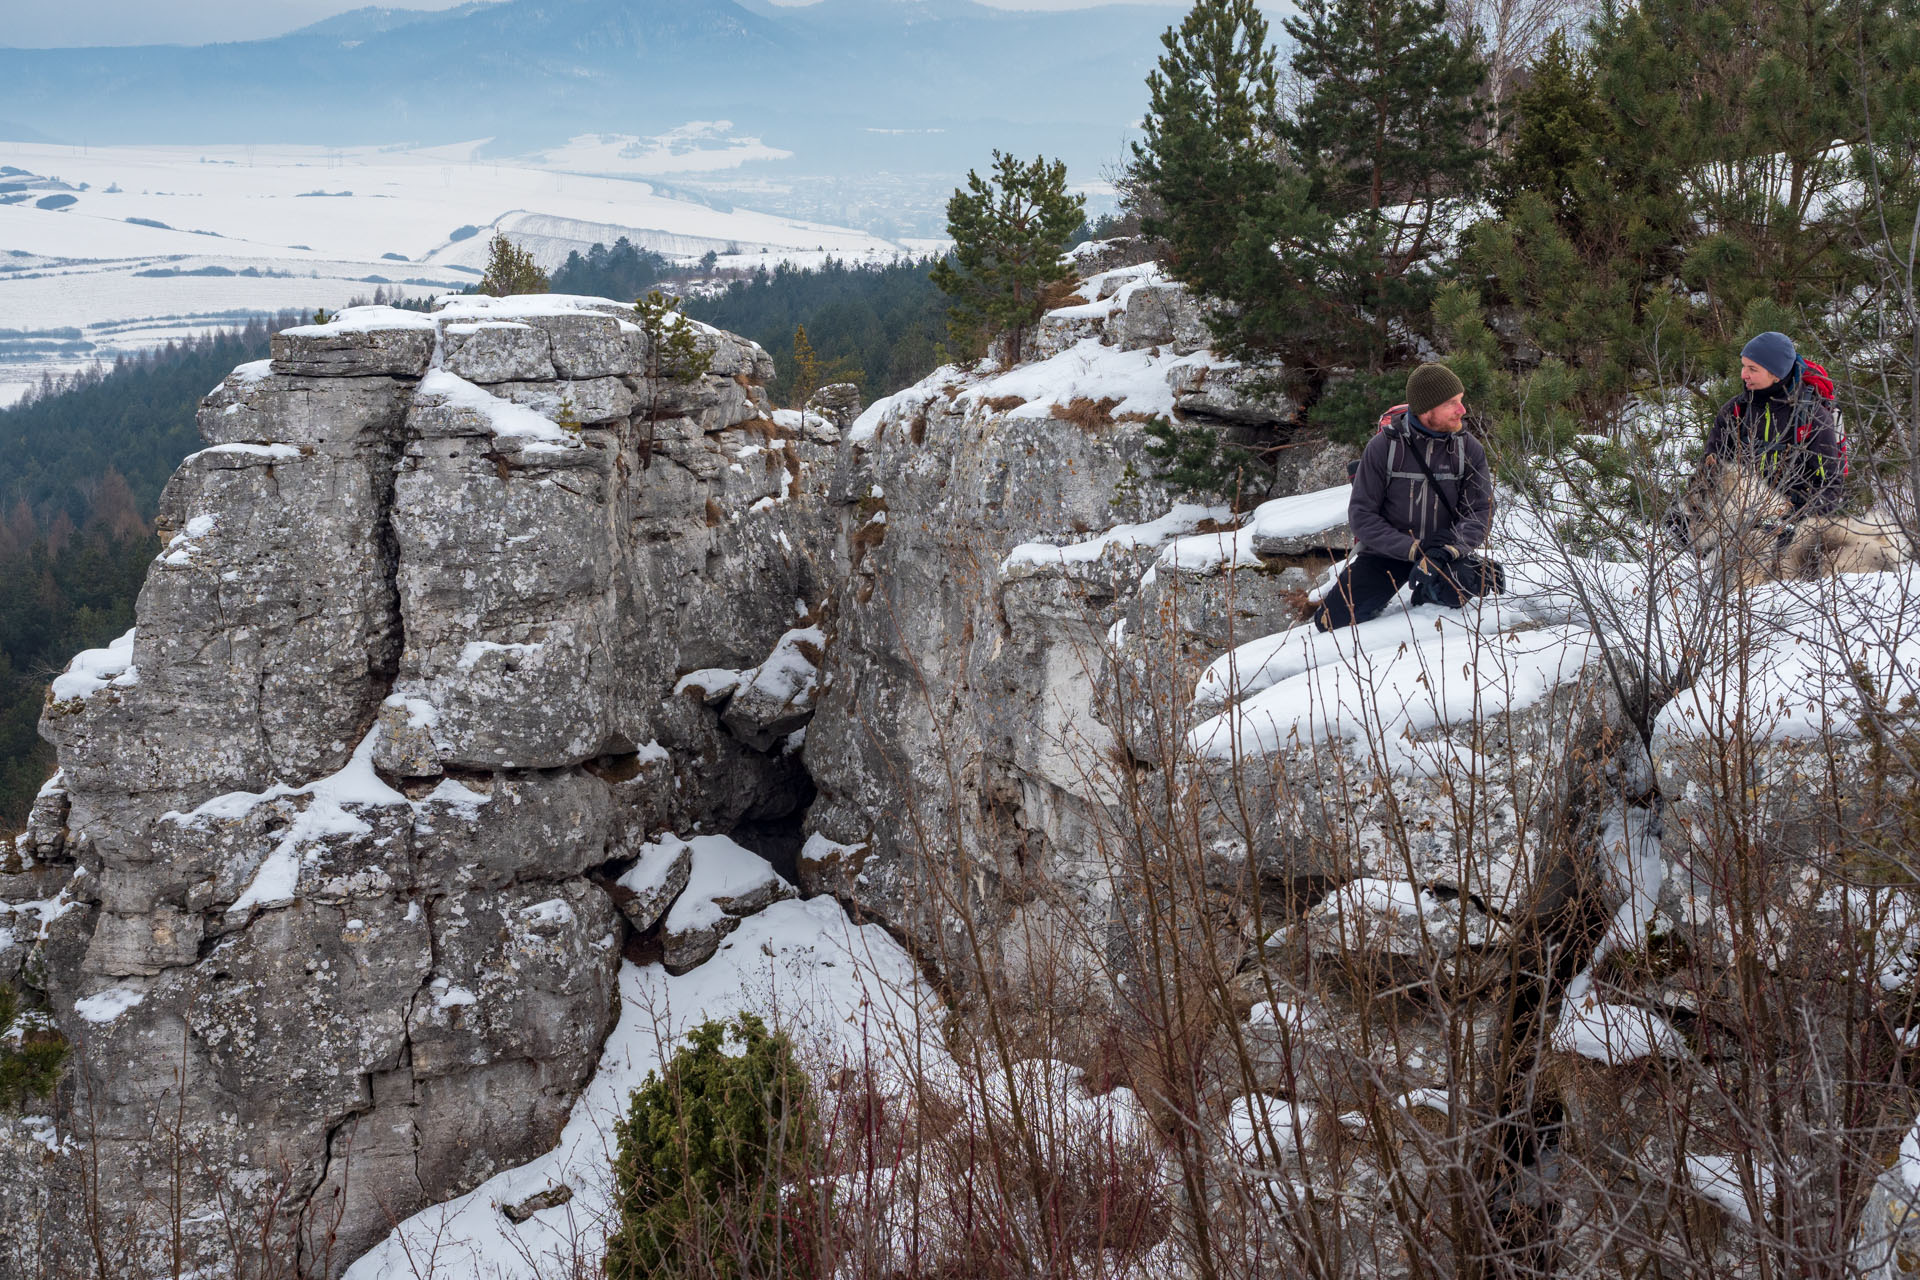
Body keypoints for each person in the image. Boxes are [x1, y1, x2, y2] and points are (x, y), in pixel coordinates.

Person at [1314, 363, 1500, 631]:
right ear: (1427, 409)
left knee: (1458, 589)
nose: (1462, 410)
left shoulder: (1468, 449)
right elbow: (1362, 517)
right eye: (1452, 403)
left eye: (1461, 401)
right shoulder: (1384, 448)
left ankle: (1427, 593)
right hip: (1387, 554)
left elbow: (1480, 512)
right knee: (1331, 622)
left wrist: (1449, 549)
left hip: (1444, 554)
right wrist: (1414, 548)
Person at [1699, 330, 1846, 516]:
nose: (1744, 374)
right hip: (1741, 515)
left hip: (1796, 516)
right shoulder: (1736, 411)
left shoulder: (1811, 417)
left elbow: (1829, 483)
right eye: (1743, 366)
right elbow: (1710, 468)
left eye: (1753, 369)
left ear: (1776, 374)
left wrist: (1799, 525)